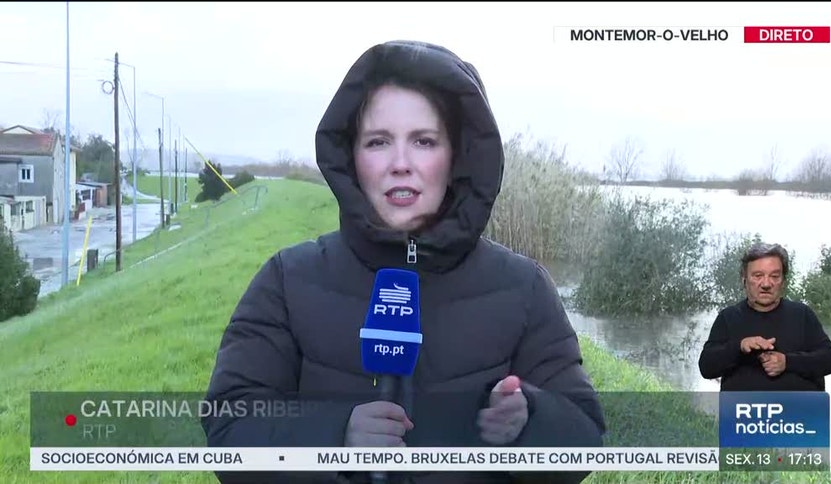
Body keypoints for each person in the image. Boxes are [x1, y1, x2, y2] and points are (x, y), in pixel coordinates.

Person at [201, 40, 606, 484]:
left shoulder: (524, 288)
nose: (400, 164)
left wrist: (528, 421)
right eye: (378, 142)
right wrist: (334, 438)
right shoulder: (287, 280)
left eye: (423, 141)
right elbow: (230, 426)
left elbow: (583, 437)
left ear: (456, 157)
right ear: (351, 157)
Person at [698, 242, 831, 391]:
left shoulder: (802, 314)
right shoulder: (728, 317)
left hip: (800, 406)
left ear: (783, 281)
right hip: (742, 406)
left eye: (774, 276)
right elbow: (706, 368)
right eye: (758, 276)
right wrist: (739, 347)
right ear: (744, 279)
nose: (766, 284)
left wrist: (787, 362)